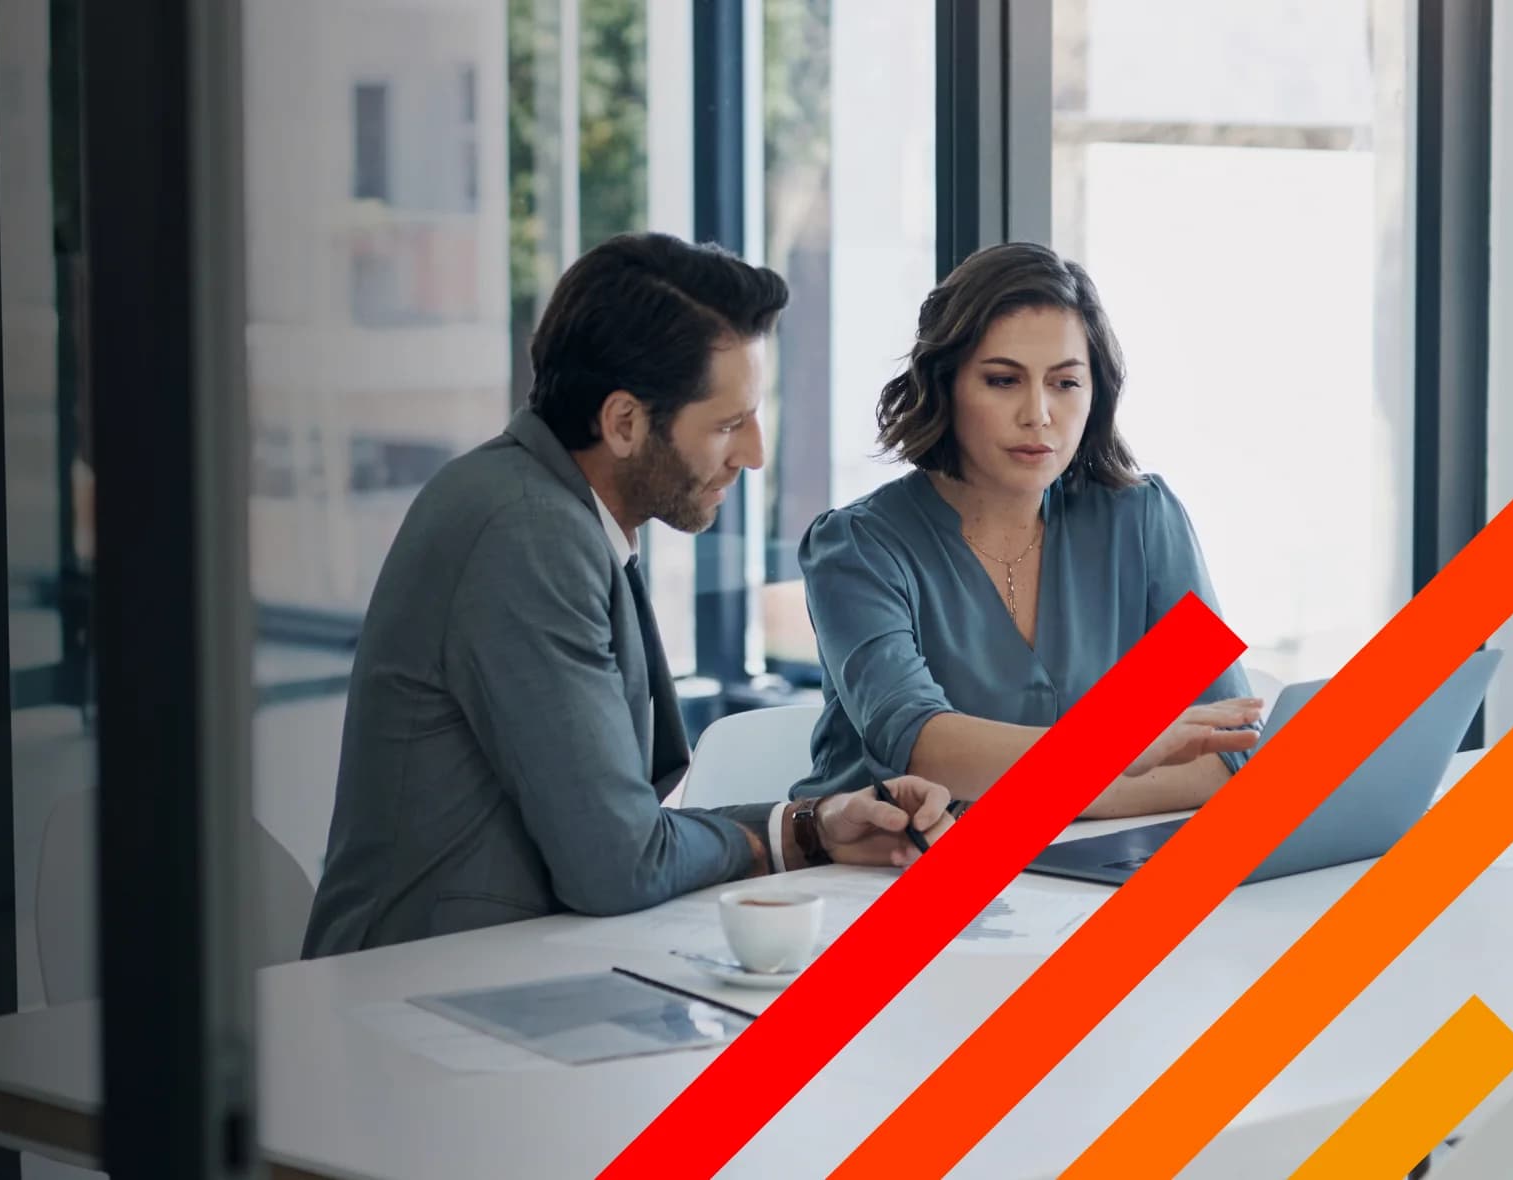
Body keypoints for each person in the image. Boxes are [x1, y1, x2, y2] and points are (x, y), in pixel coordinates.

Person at [299, 233, 954, 959]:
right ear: (623, 423)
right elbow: (617, 863)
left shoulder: (549, 510)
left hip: (512, 968)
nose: (754, 454)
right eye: (730, 424)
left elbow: (622, 832)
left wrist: (810, 827)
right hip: (424, 989)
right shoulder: (527, 533)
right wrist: (777, 839)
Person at [787, 242, 1264, 817]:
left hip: (1067, 878)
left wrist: (1050, 797)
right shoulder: (859, 548)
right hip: (882, 882)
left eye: (1065, 383)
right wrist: (1118, 756)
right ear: (946, 385)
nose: (1038, 413)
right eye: (1003, 381)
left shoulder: (1140, 520)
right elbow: (922, 746)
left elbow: (1232, 752)